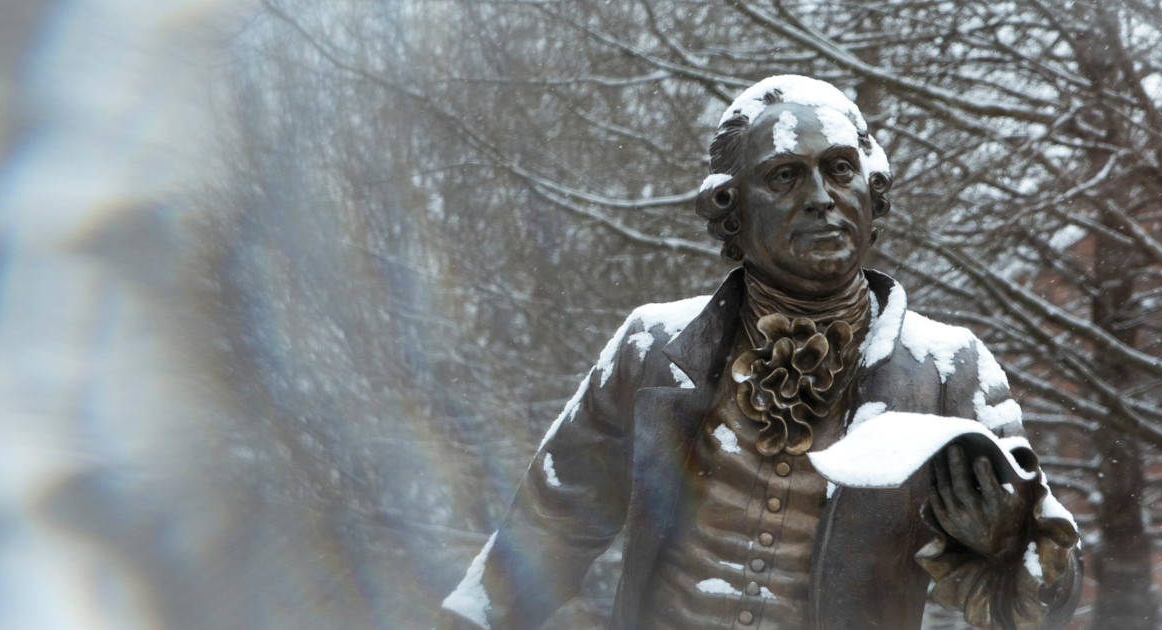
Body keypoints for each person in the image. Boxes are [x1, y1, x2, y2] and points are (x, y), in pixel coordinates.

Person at [442, 75, 1081, 630]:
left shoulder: (951, 371)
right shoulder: (653, 350)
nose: (821, 197)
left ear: (873, 191)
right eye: (784, 175)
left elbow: (1040, 606)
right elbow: (550, 528)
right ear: (733, 207)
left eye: (840, 170)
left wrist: (1010, 547)